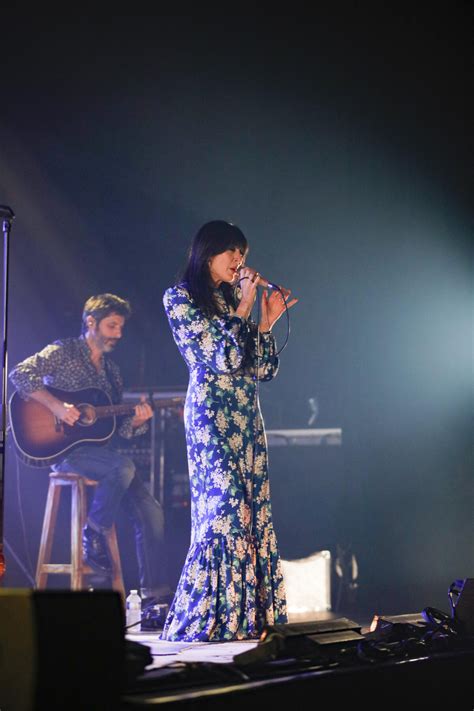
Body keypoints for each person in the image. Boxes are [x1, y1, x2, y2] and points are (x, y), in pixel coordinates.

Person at [161, 220, 298, 641]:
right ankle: (207, 617)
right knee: (226, 511)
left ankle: (245, 620)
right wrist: (243, 309)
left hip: (245, 417)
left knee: (252, 511)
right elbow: (219, 356)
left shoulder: (227, 300)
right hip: (211, 418)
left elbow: (260, 368)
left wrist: (266, 322)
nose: (239, 262)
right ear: (207, 254)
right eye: (231, 253)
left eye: (243, 254)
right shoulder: (180, 299)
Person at [9, 293, 171, 610]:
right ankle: (94, 532)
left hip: (101, 458)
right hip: (64, 452)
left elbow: (118, 430)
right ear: (91, 323)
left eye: (121, 328)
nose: (118, 334)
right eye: (112, 326)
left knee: (152, 510)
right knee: (123, 468)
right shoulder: (64, 350)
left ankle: (156, 601)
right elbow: (19, 374)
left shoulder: (112, 373)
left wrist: (138, 421)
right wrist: (57, 406)